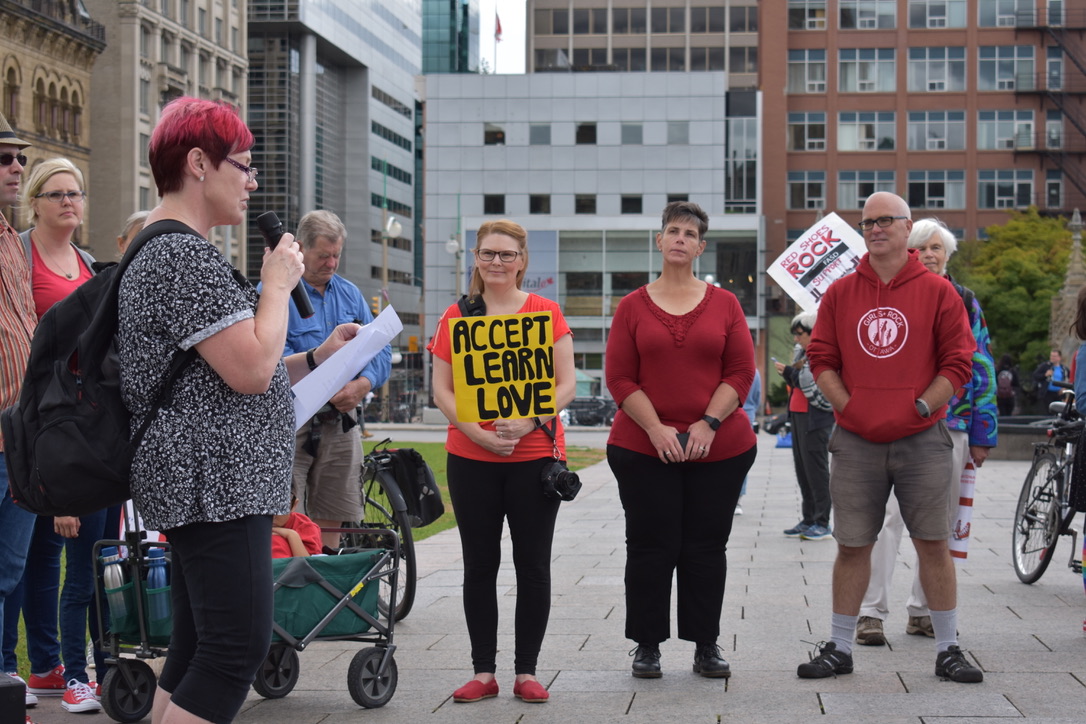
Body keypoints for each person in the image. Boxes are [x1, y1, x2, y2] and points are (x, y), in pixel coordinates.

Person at [116, 96, 359, 724]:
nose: (252, 183)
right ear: (199, 163)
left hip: (211, 478)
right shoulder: (181, 255)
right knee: (235, 649)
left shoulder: (175, 250)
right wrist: (276, 284)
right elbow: (249, 371)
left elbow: (231, 368)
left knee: (200, 643)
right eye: (243, 167)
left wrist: (316, 358)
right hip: (214, 482)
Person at [798, 192, 982, 683]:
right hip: (856, 439)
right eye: (867, 222)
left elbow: (958, 363)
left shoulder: (939, 292)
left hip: (923, 438)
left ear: (907, 229)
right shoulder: (840, 293)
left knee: (933, 543)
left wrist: (922, 404)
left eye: (886, 221)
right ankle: (839, 646)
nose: (876, 229)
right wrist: (848, 405)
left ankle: (948, 648)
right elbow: (822, 359)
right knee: (853, 545)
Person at [606, 201, 757, 680]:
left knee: (705, 548)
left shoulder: (726, 303)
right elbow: (620, 378)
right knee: (651, 546)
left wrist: (707, 423)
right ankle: (646, 645)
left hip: (718, 447)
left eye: (690, 234)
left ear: (700, 247)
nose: (680, 239)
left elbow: (741, 371)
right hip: (642, 447)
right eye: (672, 230)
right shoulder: (632, 305)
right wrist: (655, 429)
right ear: (659, 241)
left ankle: (705, 644)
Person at [428, 218, 575, 704]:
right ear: (475, 258)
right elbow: (441, 388)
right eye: (488, 253)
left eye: (506, 255)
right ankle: (484, 671)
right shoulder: (457, 316)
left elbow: (566, 383)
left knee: (533, 565)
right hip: (472, 457)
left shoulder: (545, 312)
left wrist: (531, 421)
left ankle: (527, 671)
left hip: (533, 458)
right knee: (479, 565)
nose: (496, 262)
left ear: (522, 262)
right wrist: (476, 433)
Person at [855, 218, 998, 647]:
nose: (929, 254)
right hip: (888, 424)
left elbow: (982, 363)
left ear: (948, 255)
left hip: (951, 424)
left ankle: (924, 610)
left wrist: (983, 431)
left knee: (938, 524)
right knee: (884, 520)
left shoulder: (964, 299)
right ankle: (870, 612)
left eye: (937, 247)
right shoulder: (889, 296)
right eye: (921, 246)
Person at [3, 158, 105, 714]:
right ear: (35, 202)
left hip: (81, 426)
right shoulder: (17, 254)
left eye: (77, 193)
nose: (69, 202)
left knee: (55, 554)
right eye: (57, 193)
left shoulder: (87, 262)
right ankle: (18, 668)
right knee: (22, 556)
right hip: (35, 422)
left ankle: (47, 666)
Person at [282, 210, 391, 549]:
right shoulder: (275, 292)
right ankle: (293, 588)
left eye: (336, 255)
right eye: (323, 256)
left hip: (340, 423)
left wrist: (364, 384)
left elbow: (381, 350)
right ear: (300, 249)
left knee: (335, 510)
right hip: (292, 422)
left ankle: (328, 585)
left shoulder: (350, 294)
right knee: (284, 512)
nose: (331, 263)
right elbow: (270, 356)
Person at [0, 111, 40, 724]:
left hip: (21, 439)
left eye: (19, 158)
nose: (15, 167)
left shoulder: (10, 239)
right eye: (3, 158)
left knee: (7, 572)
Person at [774, 310, 833, 541]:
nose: (797, 339)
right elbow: (800, 382)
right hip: (799, 415)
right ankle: (808, 518)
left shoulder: (823, 353)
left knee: (817, 471)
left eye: (801, 334)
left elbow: (817, 385)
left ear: (814, 332)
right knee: (803, 470)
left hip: (815, 417)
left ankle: (822, 521)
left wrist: (790, 372)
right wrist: (789, 373)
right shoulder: (803, 352)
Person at [735, 366, 761, 516]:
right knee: (741, 458)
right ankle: (739, 498)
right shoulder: (755, 371)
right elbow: (757, 397)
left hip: (733, 414)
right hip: (749, 413)